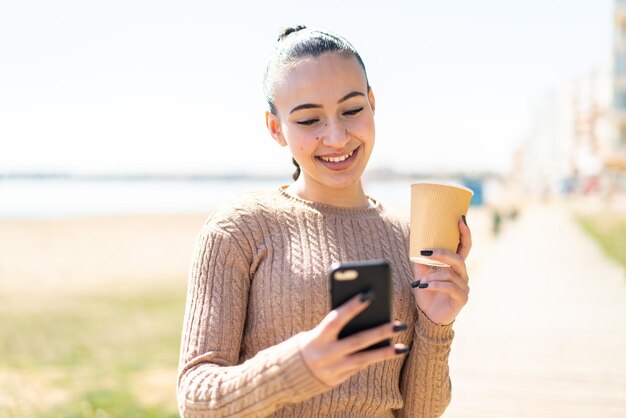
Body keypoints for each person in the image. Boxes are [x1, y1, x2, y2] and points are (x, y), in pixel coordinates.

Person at [177, 25, 472, 418]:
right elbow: (196, 399)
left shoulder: (407, 235)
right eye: (309, 120)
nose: (336, 137)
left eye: (351, 110)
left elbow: (419, 412)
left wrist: (437, 324)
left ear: (371, 103)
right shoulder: (239, 229)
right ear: (275, 128)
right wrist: (296, 367)